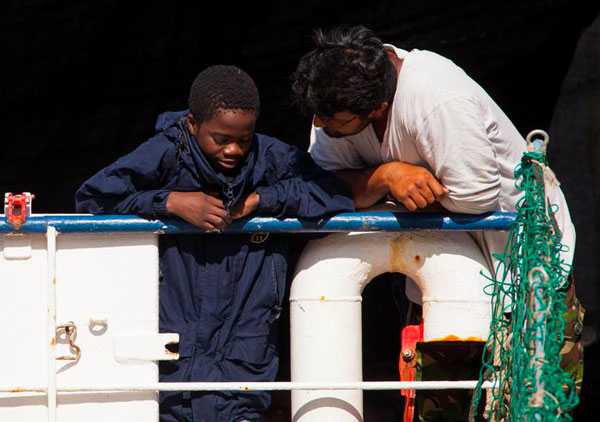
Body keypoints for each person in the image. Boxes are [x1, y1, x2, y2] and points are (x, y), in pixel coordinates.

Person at [291, 25, 583, 420]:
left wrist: (373, 194)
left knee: (532, 402)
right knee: (439, 406)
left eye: (334, 123)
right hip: (434, 276)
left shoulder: (436, 97)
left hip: (521, 265)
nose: (323, 128)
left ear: (376, 109)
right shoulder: (335, 105)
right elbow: (319, 186)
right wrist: (384, 176)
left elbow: (476, 195)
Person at [76, 65, 354, 422]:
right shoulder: (165, 153)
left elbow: (337, 196)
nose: (234, 149)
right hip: (171, 362)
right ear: (193, 124)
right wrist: (170, 203)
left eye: (245, 138)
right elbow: (93, 199)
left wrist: (261, 201)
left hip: (244, 361)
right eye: (221, 139)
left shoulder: (271, 157)